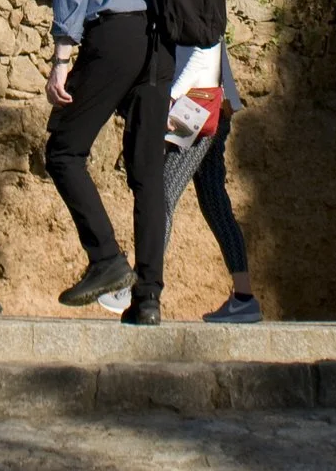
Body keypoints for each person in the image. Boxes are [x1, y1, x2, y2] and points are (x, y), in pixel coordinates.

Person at [43, 0, 174, 324]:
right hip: (159, 44)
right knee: (147, 174)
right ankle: (149, 299)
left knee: (64, 151)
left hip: (114, 36)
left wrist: (61, 60)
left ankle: (106, 259)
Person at [101, 39, 261, 323]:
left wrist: (169, 100)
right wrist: (229, 99)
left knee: (161, 197)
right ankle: (244, 297)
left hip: (195, 109)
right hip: (213, 107)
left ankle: (141, 289)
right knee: (215, 204)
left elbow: (204, 50)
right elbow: (214, 48)